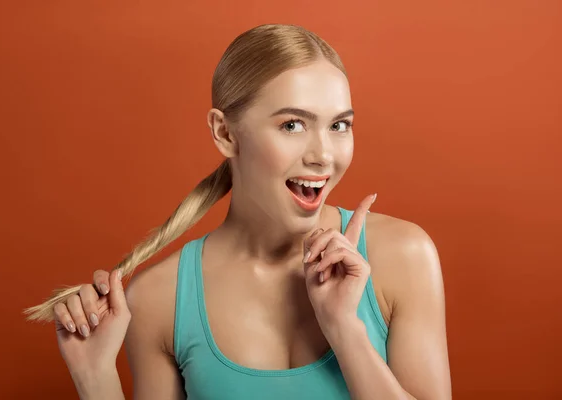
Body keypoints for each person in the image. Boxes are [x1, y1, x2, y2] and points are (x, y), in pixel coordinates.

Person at [25, 23, 451, 399]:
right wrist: (96, 381)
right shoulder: (160, 300)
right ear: (225, 133)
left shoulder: (402, 257)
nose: (324, 155)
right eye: (292, 125)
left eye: (339, 125)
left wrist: (346, 330)